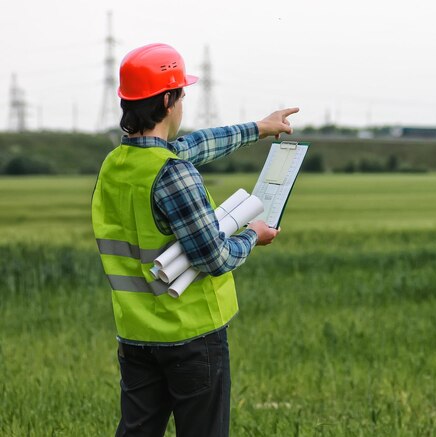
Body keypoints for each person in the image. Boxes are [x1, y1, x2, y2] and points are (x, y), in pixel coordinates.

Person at [91, 43, 299, 437]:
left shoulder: (114, 165)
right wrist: (253, 235)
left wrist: (259, 128)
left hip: (135, 335)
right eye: (182, 94)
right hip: (192, 337)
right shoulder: (172, 173)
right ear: (169, 100)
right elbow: (214, 257)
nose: (183, 103)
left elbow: (197, 145)